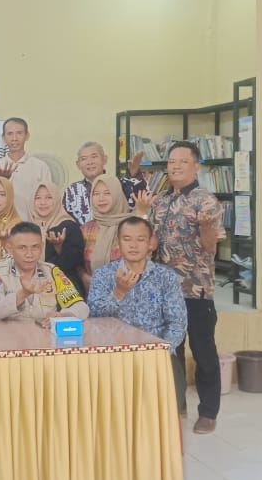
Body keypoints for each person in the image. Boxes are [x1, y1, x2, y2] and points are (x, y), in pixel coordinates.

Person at [148, 140, 225, 434]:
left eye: (183, 161)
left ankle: (208, 412)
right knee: (172, 352)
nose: (176, 166)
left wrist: (205, 228)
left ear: (196, 166)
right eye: (171, 162)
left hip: (196, 291)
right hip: (165, 293)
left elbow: (210, 247)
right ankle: (176, 407)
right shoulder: (161, 202)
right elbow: (151, 243)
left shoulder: (206, 202)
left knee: (203, 352)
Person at [88, 216, 187, 358]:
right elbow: (94, 316)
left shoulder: (166, 276)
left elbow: (177, 323)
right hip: (113, 354)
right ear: (118, 242)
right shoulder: (103, 274)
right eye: (127, 239)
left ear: (150, 243)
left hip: (156, 355)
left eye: (140, 239)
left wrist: (161, 350)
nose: (133, 245)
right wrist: (118, 293)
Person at [0, 222, 89, 323]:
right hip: (7, 334)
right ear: (10, 248)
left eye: (35, 247)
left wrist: (64, 316)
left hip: (44, 333)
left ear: (42, 247)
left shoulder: (51, 271)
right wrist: (23, 293)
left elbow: (81, 307)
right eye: (22, 248)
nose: (29, 254)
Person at [82, 174, 151, 289]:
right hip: (94, 294)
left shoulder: (132, 224)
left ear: (117, 194)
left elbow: (147, 254)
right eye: (96, 194)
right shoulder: (86, 229)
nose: (101, 198)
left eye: (107, 193)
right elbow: (78, 264)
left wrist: (143, 215)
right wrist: (84, 277)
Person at [63, 141, 147, 225]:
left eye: (94, 157)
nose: (90, 162)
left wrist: (134, 174)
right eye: (84, 158)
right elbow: (65, 220)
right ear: (78, 164)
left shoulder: (119, 184)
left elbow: (142, 200)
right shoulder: (71, 191)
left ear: (104, 159)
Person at [29, 181, 87, 295]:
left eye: (49, 197)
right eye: (38, 198)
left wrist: (59, 248)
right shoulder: (28, 228)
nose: (43, 202)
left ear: (56, 199)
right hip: (34, 288)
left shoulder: (68, 226)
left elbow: (74, 264)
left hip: (64, 290)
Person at [0, 118, 52, 221]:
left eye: (19, 133)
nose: (14, 138)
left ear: (27, 136)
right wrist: (3, 181)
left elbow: (48, 201)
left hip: (33, 226)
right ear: (3, 138)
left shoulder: (40, 167)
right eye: (10, 134)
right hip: (3, 227)